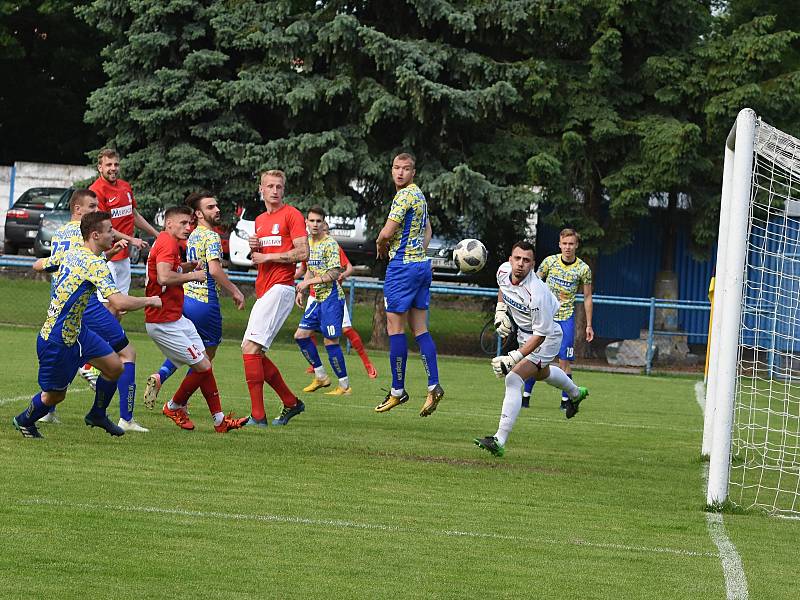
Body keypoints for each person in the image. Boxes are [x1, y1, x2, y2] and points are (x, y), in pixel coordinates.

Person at [12, 212, 162, 439]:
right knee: (54, 396)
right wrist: (150, 300)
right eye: (110, 230)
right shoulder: (94, 264)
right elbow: (119, 302)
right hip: (57, 338)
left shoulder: (72, 254)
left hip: (78, 331)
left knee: (115, 367)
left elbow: (38, 264)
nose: (114, 234)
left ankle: (97, 414)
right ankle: (24, 421)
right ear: (95, 234)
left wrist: (50, 267)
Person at [474, 241, 589, 457]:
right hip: (526, 334)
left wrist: (513, 357)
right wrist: (500, 311)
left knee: (514, 378)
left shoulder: (538, 294)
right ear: (510, 259)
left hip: (545, 339)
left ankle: (499, 440)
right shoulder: (503, 270)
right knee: (542, 373)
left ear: (533, 265)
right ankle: (575, 393)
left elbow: (540, 336)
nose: (520, 264)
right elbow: (503, 288)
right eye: (517, 258)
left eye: (526, 261)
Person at [145, 205, 246, 433]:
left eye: (188, 223)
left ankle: (220, 421)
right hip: (164, 322)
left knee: (204, 364)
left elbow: (168, 269)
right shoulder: (168, 242)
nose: (188, 227)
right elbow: (162, 277)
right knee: (201, 365)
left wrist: (185, 267)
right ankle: (173, 406)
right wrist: (193, 275)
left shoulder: (167, 241)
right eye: (182, 223)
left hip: (176, 317)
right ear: (168, 223)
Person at [374, 153, 443, 417]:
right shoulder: (420, 195)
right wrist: (419, 253)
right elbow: (428, 230)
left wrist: (381, 246)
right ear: (392, 170)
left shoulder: (403, 196)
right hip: (421, 266)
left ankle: (397, 390)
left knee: (395, 328)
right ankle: (433, 384)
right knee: (420, 329)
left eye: (406, 169)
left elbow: (387, 233)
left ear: (414, 172)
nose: (400, 173)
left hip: (402, 268)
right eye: (396, 168)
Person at [241, 170, 308, 427]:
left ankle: (258, 416)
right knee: (251, 350)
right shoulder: (259, 219)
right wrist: (255, 249)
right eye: (270, 186)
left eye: (279, 186)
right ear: (261, 189)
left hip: (281, 287)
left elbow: (303, 251)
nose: (275, 190)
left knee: (250, 348)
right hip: (264, 288)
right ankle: (291, 402)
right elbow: (261, 255)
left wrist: (267, 257)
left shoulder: (292, 214)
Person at [517, 228, 593, 409]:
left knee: (564, 361)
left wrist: (589, 324)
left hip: (566, 318)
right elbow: (532, 283)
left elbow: (588, 297)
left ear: (576, 245)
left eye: (571, 244)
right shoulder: (549, 262)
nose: (567, 247)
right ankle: (526, 397)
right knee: (534, 356)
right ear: (559, 244)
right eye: (564, 243)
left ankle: (566, 400)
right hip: (545, 318)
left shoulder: (583, 269)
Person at [297, 221, 378, 379]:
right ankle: (315, 366)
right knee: (305, 331)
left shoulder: (333, 247)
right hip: (314, 296)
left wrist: (342, 275)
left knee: (346, 330)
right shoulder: (309, 246)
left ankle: (367, 364)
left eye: (326, 230)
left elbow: (348, 268)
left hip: (332, 297)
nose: (323, 232)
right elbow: (305, 270)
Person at [294, 206, 352, 396]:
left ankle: (344, 386)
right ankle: (321, 376)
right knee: (301, 336)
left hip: (332, 300)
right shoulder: (308, 243)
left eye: (319, 221)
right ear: (306, 222)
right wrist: (302, 290)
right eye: (312, 221)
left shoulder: (330, 244)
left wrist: (308, 282)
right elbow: (310, 269)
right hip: (316, 298)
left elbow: (335, 273)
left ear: (324, 223)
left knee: (330, 342)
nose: (315, 224)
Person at [89, 148, 160, 299]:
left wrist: (157, 234)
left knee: (121, 307)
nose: (113, 168)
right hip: (106, 256)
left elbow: (133, 215)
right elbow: (103, 229)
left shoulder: (125, 186)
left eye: (116, 164)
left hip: (123, 256)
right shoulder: (96, 191)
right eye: (108, 165)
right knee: (107, 305)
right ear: (100, 167)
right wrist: (131, 239)